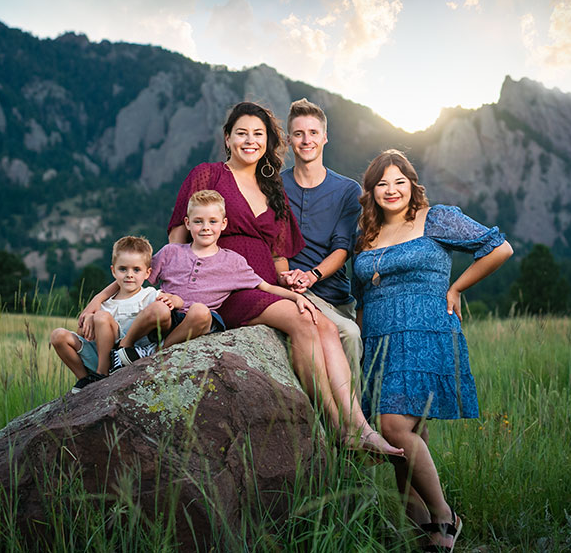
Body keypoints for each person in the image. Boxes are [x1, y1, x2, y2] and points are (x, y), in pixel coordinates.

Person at [82, 101, 402, 457]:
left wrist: (292, 283)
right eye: (242, 133)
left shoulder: (272, 187)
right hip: (225, 287)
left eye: (258, 134)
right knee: (303, 323)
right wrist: (105, 300)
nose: (250, 141)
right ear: (228, 137)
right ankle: (340, 424)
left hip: (263, 281)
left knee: (322, 324)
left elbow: (278, 254)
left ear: (267, 141)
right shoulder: (208, 174)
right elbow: (174, 243)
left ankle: (355, 426)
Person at [352, 149, 513, 550]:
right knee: (405, 438)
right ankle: (421, 535)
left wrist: (456, 287)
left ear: (412, 185)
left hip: (425, 332)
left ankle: (445, 516)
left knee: (393, 428)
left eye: (399, 181)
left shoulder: (435, 218)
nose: (392, 190)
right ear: (371, 192)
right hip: (377, 338)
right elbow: (358, 295)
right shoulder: (365, 235)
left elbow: (499, 248)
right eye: (382, 184)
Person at [111, 189, 319, 363]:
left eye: (212, 221)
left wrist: (297, 297)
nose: (206, 228)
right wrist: (96, 301)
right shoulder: (170, 252)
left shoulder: (233, 262)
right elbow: (134, 275)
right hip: (167, 316)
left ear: (224, 224)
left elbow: (265, 287)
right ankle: (122, 349)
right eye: (198, 221)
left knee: (200, 311)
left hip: (197, 322)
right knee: (158, 306)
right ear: (188, 223)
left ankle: (156, 354)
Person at [277, 98, 364, 379]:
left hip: (334, 295)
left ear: (325, 137)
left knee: (351, 334)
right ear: (289, 140)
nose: (306, 140)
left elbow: (343, 248)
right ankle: (346, 422)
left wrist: (313, 275)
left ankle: (354, 418)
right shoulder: (275, 187)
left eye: (313, 133)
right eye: (299, 134)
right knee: (345, 335)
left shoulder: (348, 190)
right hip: (291, 291)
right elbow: (274, 243)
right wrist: (286, 277)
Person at [50, 236, 161, 393]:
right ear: (113, 271)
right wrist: (90, 319)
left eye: (136, 270)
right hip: (99, 354)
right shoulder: (104, 304)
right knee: (58, 335)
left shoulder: (149, 295)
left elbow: (167, 308)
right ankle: (86, 380)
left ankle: (102, 374)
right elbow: (83, 334)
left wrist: (173, 300)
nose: (129, 275)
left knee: (101, 317)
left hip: (125, 357)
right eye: (123, 269)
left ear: (147, 273)